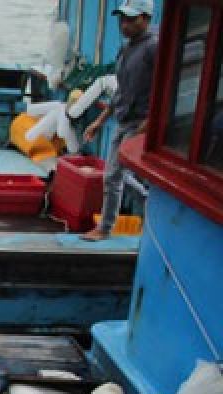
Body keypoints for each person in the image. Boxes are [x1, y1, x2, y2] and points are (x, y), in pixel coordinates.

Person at [81, 0, 157, 241]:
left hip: (141, 124)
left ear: (146, 18)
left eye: (131, 19)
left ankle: (112, 228)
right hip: (123, 121)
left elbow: (165, 89)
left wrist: (148, 123)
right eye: (121, 19)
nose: (124, 24)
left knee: (124, 176)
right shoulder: (126, 49)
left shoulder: (154, 48)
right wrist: (100, 121)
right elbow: (120, 91)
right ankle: (109, 224)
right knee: (113, 175)